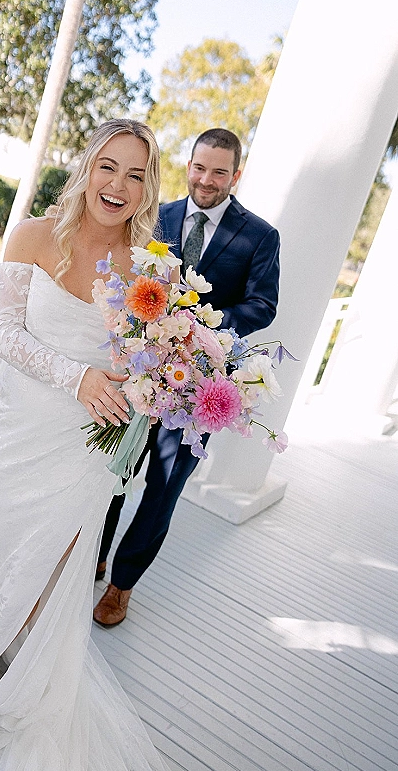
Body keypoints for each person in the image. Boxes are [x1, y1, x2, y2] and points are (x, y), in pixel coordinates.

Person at [0, 119, 181, 771]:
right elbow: (4, 332)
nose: (118, 185)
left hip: (84, 447)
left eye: (135, 174)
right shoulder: (34, 235)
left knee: (43, 576)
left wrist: (145, 382)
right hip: (17, 428)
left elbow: (153, 360)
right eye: (108, 166)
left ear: (148, 187)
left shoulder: (154, 266)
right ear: (85, 168)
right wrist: (79, 377)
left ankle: (13, 687)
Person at [93, 127, 280, 628]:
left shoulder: (261, 236)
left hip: (201, 385)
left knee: (162, 489)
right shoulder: (156, 215)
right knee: (114, 472)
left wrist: (202, 327)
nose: (207, 179)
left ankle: (121, 585)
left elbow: (263, 304)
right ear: (189, 165)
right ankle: (94, 556)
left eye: (220, 171)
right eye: (200, 167)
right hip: (141, 373)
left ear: (235, 175)